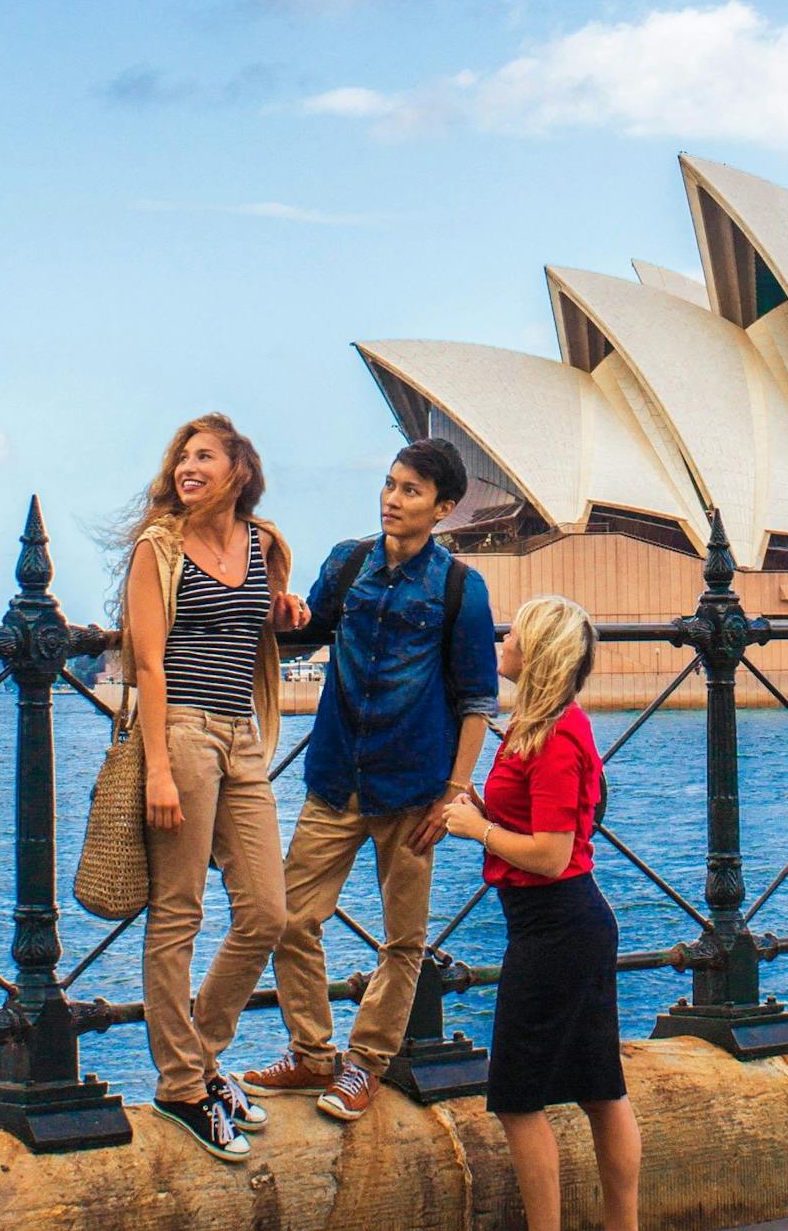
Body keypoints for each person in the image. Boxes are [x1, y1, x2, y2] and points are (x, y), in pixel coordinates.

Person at [244, 437, 499, 1121]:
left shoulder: (459, 588)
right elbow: (307, 632)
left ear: (443, 508)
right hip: (334, 777)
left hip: (413, 790)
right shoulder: (348, 561)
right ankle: (310, 1054)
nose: (392, 498)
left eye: (411, 490)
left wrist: (454, 793)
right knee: (289, 916)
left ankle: (365, 1065)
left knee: (402, 937)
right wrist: (281, 610)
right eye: (390, 484)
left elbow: (478, 698)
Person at [117, 413, 310, 1161]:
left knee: (267, 909)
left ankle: (199, 1059)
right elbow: (148, 663)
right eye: (181, 458)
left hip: (243, 735)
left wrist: (283, 609)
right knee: (178, 914)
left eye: (204, 456)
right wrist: (159, 766)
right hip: (185, 735)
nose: (187, 468)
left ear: (239, 470)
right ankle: (182, 1087)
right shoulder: (157, 550)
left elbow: (259, 617)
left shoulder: (265, 546)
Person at [444, 595, 641, 1231]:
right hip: (567, 923)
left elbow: (552, 856)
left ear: (538, 655)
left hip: (554, 924)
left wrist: (478, 829)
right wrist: (490, 811)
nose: (504, 640)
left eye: (516, 635)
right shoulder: (550, 723)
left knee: (517, 1097)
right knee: (599, 1090)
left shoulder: (554, 737)